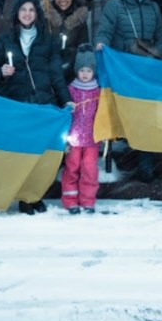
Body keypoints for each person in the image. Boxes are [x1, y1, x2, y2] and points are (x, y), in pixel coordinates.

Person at [0, 0, 72, 214]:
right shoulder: (6, 39)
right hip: (18, 102)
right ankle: (23, 197)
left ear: (36, 13)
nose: (27, 14)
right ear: (17, 14)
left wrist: (66, 98)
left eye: (31, 10)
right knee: (22, 154)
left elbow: (56, 73)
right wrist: (1, 72)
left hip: (42, 102)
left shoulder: (48, 40)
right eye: (23, 10)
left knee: (42, 154)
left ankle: (35, 195)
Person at [94, 0, 162, 183]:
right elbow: (104, 30)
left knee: (147, 117)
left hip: (148, 70)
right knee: (126, 114)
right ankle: (124, 161)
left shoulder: (153, 7)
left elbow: (161, 38)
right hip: (124, 69)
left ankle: (146, 165)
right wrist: (100, 44)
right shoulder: (114, 5)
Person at [61, 44, 101, 215]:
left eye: (89, 70)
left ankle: (88, 200)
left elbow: (103, 114)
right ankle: (70, 200)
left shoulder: (98, 91)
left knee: (90, 169)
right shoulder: (71, 90)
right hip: (74, 138)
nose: (85, 74)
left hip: (92, 138)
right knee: (72, 167)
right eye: (82, 70)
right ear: (77, 70)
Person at [44, 0, 90, 82]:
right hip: (48, 68)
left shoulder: (79, 18)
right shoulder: (45, 16)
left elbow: (83, 47)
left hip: (72, 69)